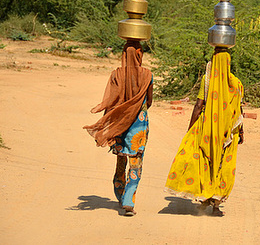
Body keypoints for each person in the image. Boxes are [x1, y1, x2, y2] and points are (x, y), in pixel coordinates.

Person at [165, 47, 244, 216]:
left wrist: (190, 128)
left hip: (208, 128)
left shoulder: (207, 80)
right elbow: (239, 110)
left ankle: (204, 195)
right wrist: (242, 132)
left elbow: (199, 105)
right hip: (229, 132)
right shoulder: (237, 83)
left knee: (206, 161)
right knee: (223, 165)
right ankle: (216, 205)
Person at [83, 40, 153, 216]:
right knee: (136, 162)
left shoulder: (116, 74)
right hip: (139, 124)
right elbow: (150, 101)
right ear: (140, 55)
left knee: (121, 160)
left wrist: (114, 122)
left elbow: (111, 101)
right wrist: (137, 109)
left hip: (120, 123)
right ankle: (129, 201)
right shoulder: (148, 75)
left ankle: (121, 196)